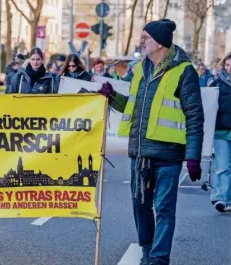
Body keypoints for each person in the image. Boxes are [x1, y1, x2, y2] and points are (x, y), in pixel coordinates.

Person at [99, 19, 204, 265]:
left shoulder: (184, 71)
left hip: (168, 155)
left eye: (146, 37)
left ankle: (158, 259)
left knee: (164, 209)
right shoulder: (140, 70)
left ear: (160, 42)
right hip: (140, 153)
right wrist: (113, 98)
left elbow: (194, 116)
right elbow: (135, 108)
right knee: (140, 207)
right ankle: (148, 251)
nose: (142, 41)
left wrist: (193, 157)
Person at [208, 52, 231, 213]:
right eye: (227, 65)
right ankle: (220, 198)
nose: (229, 68)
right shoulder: (216, 84)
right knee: (222, 166)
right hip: (221, 132)